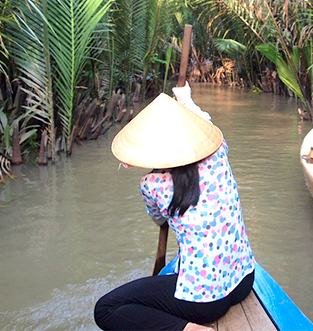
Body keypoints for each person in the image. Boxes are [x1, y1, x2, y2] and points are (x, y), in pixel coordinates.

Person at [94, 83, 255, 331]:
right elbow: (205, 123)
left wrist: (144, 163)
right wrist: (186, 99)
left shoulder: (151, 184)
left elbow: (159, 219)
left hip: (204, 302)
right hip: (243, 280)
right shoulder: (219, 151)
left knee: (105, 309)